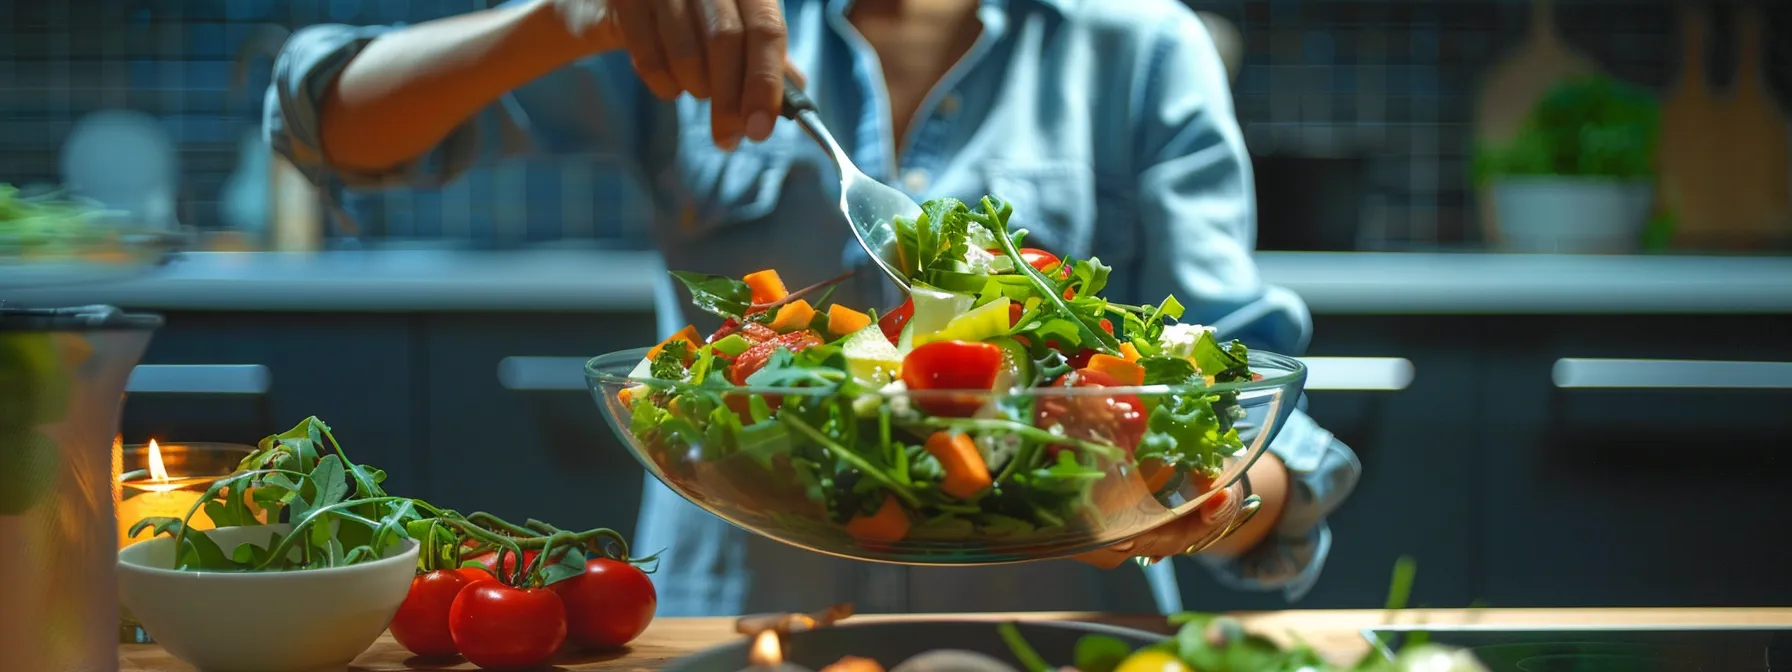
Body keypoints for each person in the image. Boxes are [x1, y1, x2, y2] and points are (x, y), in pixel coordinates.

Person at [265, 0, 1360, 616]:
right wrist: (579, 16)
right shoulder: (701, 21)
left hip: (1057, 632)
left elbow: (1244, 390)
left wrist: (1211, 493)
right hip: (742, 628)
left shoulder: (1138, 46)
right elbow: (327, 125)